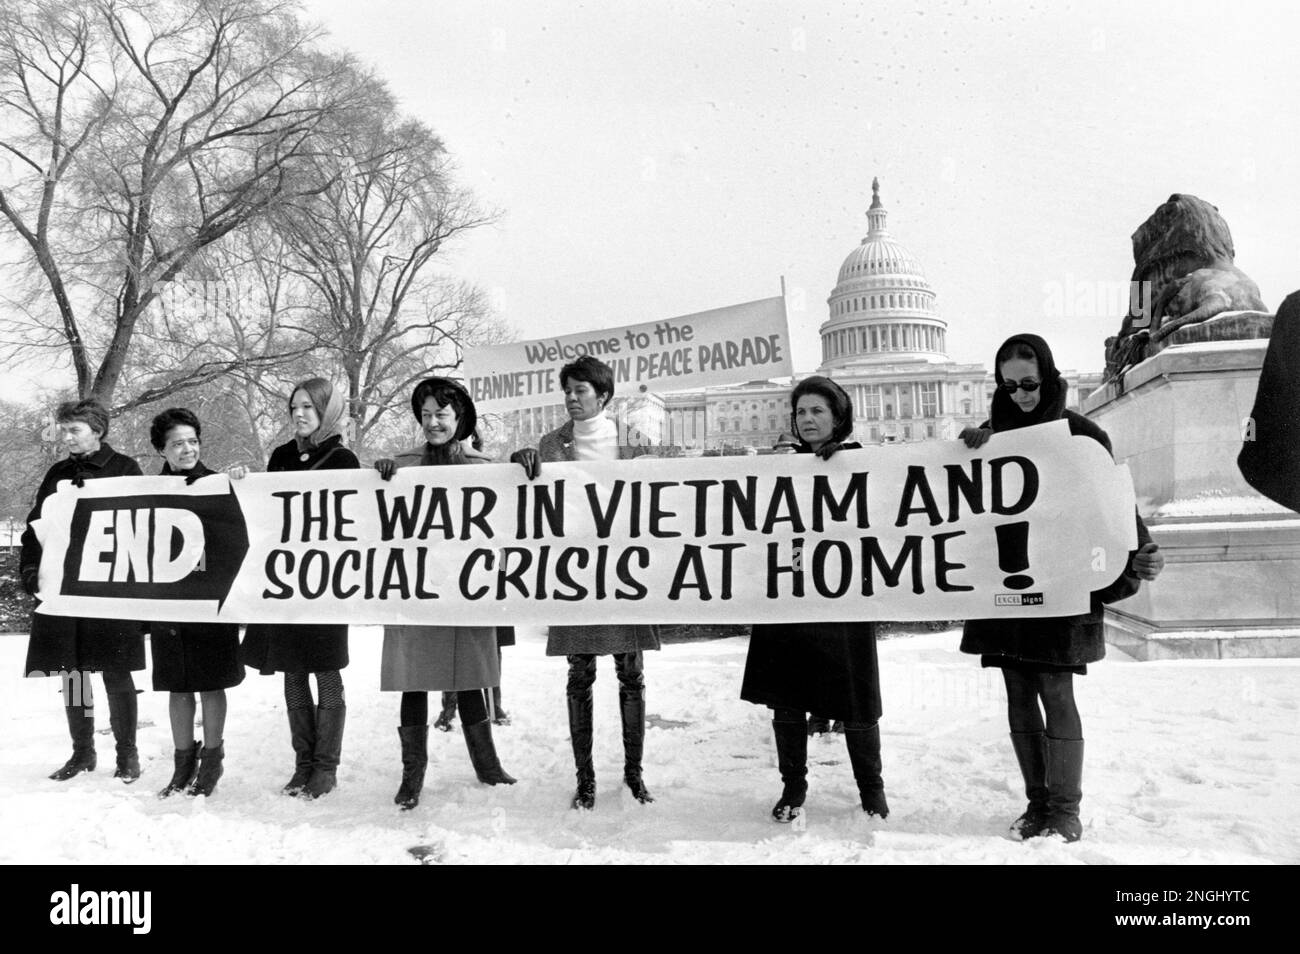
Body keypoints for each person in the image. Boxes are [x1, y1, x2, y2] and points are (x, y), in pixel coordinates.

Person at [960, 333, 1164, 842]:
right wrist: (966, 450)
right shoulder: (992, 438)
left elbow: (1112, 501)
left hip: (1063, 586)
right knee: (1017, 692)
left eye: (1029, 384)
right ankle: (1036, 804)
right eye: (1009, 387)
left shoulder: (1083, 435)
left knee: (1056, 689)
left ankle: (1065, 809)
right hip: (1008, 584)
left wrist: (1140, 551)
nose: (1021, 396)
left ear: (1048, 378)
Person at [511, 355, 659, 809]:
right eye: (568, 392)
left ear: (604, 396)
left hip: (624, 571)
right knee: (580, 676)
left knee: (631, 675)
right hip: (575, 574)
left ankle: (633, 774)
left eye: (581, 391)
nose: (572, 399)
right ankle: (586, 778)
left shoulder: (635, 442)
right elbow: (533, 500)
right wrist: (521, 464)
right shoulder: (551, 444)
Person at [740, 376, 888, 823]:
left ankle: (871, 789)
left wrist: (838, 464)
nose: (807, 419)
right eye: (801, 412)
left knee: (855, 696)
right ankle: (793, 786)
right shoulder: (782, 468)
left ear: (838, 417)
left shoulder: (860, 460)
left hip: (842, 599)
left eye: (817, 411)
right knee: (787, 697)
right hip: (788, 595)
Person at [374, 377, 516, 810]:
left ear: (461, 418)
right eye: (426, 414)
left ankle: (487, 765)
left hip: (466, 591)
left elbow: (511, 519)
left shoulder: (485, 466)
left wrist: (524, 467)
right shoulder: (400, 466)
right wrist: (377, 479)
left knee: (470, 678)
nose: (433, 422)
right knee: (412, 683)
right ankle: (411, 774)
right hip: (416, 590)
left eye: (442, 414)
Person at [235, 378, 358, 798]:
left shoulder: (343, 459)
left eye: (309, 406)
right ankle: (302, 763)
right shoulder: (282, 456)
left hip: (324, 584)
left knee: (326, 671)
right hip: (286, 582)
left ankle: (326, 766)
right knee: (292, 672)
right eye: (294, 408)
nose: (300, 414)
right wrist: (242, 482)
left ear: (327, 411)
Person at [20, 399, 145, 782]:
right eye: (64, 429)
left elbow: (143, 526)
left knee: (116, 671)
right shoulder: (57, 473)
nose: (67, 436)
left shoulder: (125, 469)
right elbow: (36, 525)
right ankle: (83, 752)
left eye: (75, 429)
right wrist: (29, 567)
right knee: (72, 673)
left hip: (111, 589)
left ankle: (127, 755)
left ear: (98, 431)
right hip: (64, 588)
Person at [147, 408, 243, 798]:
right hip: (168, 603)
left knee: (210, 683)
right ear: (162, 450)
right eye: (177, 443)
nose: (187, 449)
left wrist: (241, 482)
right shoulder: (150, 491)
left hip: (210, 602)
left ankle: (213, 760)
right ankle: (183, 762)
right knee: (177, 685)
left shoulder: (218, 483)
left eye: (193, 441)